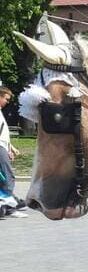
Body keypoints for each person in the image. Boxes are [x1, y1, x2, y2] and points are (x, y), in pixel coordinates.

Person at [0, 86, 27, 218]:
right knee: (7, 177)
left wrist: (10, 147)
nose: (7, 102)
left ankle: (9, 203)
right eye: (6, 99)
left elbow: (2, 134)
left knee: (3, 178)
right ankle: (9, 207)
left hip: (2, 147)